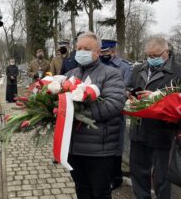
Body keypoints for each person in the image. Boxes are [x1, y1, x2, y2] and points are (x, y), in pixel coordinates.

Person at [65, 32, 126, 199]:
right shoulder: (70, 74)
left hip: (99, 150)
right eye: (79, 48)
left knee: (100, 193)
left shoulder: (111, 74)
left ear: (98, 52)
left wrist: (78, 113)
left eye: (87, 48)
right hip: (74, 148)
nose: (81, 51)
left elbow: (114, 105)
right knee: (81, 189)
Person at [129, 37, 181, 199]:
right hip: (138, 130)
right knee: (138, 173)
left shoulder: (178, 70)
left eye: (155, 55)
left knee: (162, 177)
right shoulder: (138, 69)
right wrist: (130, 94)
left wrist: (156, 97)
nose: (151, 59)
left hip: (163, 132)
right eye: (149, 56)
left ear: (167, 52)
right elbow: (130, 86)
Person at [99, 39, 133, 190]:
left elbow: (127, 89)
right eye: (101, 52)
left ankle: (116, 177)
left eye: (106, 52)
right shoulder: (97, 64)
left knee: (116, 145)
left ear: (113, 51)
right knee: (101, 145)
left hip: (116, 113)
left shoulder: (124, 67)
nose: (103, 54)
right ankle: (103, 177)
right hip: (98, 111)